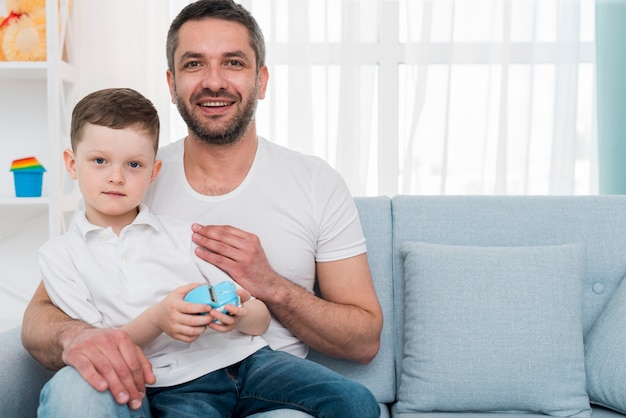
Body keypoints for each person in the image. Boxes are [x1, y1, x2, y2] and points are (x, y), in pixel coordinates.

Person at [22, 0, 383, 415]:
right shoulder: (131, 182)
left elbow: (364, 339)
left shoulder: (315, 182)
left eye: (233, 62)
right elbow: (41, 315)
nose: (214, 82)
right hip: (174, 382)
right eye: (194, 64)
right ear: (172, 83)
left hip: (259, 366)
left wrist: (268, 284)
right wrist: (77, 336)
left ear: (261, 80)